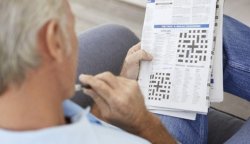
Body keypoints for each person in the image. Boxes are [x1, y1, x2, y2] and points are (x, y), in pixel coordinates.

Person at [0, 0, 176, 144]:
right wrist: (145, 123)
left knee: (117, 35)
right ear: (55, 42)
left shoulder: (42, 106)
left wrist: (115, 90)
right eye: (71, 26)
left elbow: (88, 127)